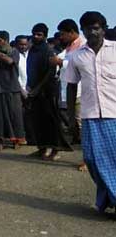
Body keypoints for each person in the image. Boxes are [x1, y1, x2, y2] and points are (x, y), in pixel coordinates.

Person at [66, 11, 116, 215]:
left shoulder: (115, 51)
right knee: (92, 160)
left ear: (103, 29)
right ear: (83, 31)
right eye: (88, 29)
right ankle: (106, 197)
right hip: (89, 115)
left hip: (113, 113)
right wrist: (70, 117)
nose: (92, 32)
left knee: (112, 160)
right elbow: (70, 86)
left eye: (96, 28)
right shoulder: (77, 57)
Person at [26, 23, 72, 160]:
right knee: (38, 122)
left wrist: (38, 89)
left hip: (48, 91)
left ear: (45, 36)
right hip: (35, 91)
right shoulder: (33, 50)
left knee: (51, 121)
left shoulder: (48, 50)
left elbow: (51, 72)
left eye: (39, 34)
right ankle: (42, 149)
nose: (36, 36)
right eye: (34, 33)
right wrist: (30, 87)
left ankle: (55, 150)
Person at [0, 31, 26, 150]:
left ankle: (16, 141)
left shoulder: (14, 52)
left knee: (15, 116)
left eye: (0, 40)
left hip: (11, 88)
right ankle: (0, 141)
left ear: (6, 40)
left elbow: (9, 61)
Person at [53, 19, 85, 146]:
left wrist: (60, 63)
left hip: (81, 89)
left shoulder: (83, 45)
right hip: (69, 88)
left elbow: (81, 64)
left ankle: (86, 156)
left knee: (81, 121)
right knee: (73, 121)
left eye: (62, 34)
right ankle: (78, 141)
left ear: (71, 32)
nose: (61, 37)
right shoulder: (69, 47)